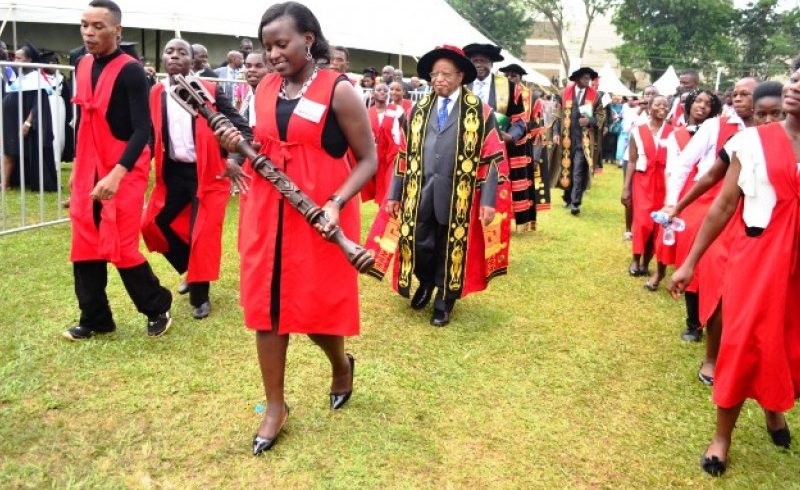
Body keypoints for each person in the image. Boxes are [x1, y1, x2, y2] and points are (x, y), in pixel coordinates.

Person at [214, 1, 377, 455]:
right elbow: (260, 145)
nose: (273, 54)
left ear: (308, 38)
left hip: (321, 212)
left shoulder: (338, 90)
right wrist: (235, 151)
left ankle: (341, 364)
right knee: (267, 307)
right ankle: (274, 407)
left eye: (281, 43)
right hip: (268, 211)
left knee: (315, 307)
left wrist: (336, 203)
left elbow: (368, 159)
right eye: (267, 47)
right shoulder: (265, 87)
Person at [669, 67, 800, 477]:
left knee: (785, 342)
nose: (795, 86)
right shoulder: (751, 141)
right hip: (757, 258)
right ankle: (722, 436)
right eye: (795, 78)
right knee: (743, 341)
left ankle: (774, 410)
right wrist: (690, 262)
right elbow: (724, 205)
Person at [64, 0, 172, 341]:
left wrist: (116, 173)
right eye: (84, 25)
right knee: (84, 242)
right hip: (89, 165)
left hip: (124, 167)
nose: (89, 33)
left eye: (97, 26)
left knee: (121, 244)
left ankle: (157, 306)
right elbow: (83, 120)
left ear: (117, 30)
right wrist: (78, 169)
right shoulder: (79, 63)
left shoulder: (131, 70)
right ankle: (95, 319)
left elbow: (143, 130)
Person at [380, 44, 511, 327]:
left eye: (446, 74)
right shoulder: (417, 110)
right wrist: (394, 193)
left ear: (460, 76)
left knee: (450, 247)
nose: (439, 79)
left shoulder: (481, 113)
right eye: (435, 74)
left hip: (458, 196)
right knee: (419, 242)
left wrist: (488, 201)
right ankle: (425, 282)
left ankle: (444, 298)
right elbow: (402, 154)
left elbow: (493, 159)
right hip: (420, 192)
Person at [140, 38, 252, 320]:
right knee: (153, 223)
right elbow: (153, 132)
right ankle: (191, 268)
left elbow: (243, 129)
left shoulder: (211, 91)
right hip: (173, 173)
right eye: (169, 51)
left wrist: (234, 159)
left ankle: (200, 296)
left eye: (182, 52)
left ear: (193, 61)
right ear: (163, 58)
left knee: (201, 234)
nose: (175, 56)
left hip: (208, 173)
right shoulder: (156, 92)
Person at [464, 44, 533, 229]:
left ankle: (492, 225)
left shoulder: (508, 88)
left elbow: (520, 120)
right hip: (463, 148)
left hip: (495, 151)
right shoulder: (462, 84)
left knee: (492, 190)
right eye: (475, 61)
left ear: (492, 64)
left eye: (484, 61)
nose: (479, 65)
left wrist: (511, 136)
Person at [620, 95, 672, 283]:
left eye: (666, 105)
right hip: (643, 180)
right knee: (642, 222)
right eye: (658, 104)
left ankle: (646, 263)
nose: (662, 108)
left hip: (664, 182)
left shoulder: (673, 132)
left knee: (658, 224)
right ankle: (635, 259)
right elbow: (632, 160)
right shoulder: (638, 131)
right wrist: (626, 188)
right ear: (649, 108)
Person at [2, 42, 58, 192]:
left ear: (29, 60)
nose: (15, 61)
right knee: (9, 150)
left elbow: (37, 103)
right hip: (12, 119)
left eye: (19, 58)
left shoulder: (36, 79)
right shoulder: (20, 77)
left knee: (16, 151)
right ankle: (10, 180)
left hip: (25, 121)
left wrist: (28, 123)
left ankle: (5, 183)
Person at [500, 63, 550, 217]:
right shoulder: (498, 93)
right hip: (498, 144)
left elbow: (538, 127)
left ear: (520, 78)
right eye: (507, 75)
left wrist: (535, 155)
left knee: (519, 184)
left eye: (513, 75)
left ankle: (519, 216)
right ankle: (502, 213)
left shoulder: (532, 96)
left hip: (522, 147)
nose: (509, 78)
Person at [554, 66, 604, 216]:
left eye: (589, 78)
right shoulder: (564, 94)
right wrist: (556, 133)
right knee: (566, 168)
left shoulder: (595, 96)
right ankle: (567, 197)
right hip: (566, 137)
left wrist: (590, 120)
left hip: (584, 140)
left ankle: (576, 203)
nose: (588, 80)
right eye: (584, 78)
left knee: (578, 170)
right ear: (576, 79)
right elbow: (557, 115)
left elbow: (601, 116)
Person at [360, 82, 403, 205]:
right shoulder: (367, 113)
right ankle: (382, 214)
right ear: (373, 93)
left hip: (392, 154)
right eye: (379, 90)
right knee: (380, 187)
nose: (383, 92)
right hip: (376, 155)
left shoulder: (396, 110)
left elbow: (404, 128)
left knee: (390, 185)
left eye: (385, 90)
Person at [240, 51, 271, 127]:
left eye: (259, 66)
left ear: (270, 69)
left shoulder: (275, 98)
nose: (252, 69)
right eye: (248, 66)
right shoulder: (250, 96)